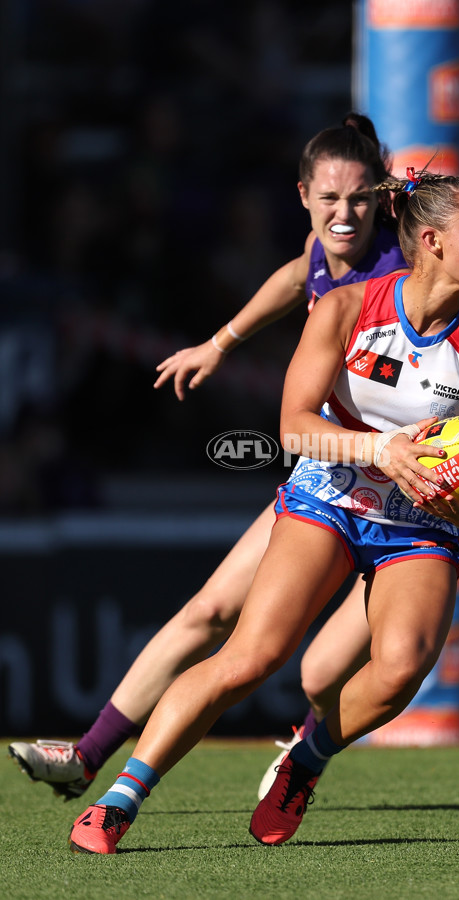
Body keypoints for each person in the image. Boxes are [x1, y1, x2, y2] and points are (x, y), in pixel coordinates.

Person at [67, 169, 459, 853]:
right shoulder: (347, 310)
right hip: (329, 497)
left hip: (414, 526)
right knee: (252, 657)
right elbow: (294, 428)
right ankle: (120, 797)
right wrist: (386, 451)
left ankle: (305, 761)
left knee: (402, 669)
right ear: (430, 240)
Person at [8, 112, 408, 796]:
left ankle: (304, 758)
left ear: (382, 198)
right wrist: (220, 343)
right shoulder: (325, 252)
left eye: (360, 198)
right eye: (330, 198)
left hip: (399, 503)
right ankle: (88, 758)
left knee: (320, 674)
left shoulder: (397, 274)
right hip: (327, 482)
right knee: (209, 614)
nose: (343, 214)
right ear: (303, 196)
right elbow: (296, 276)